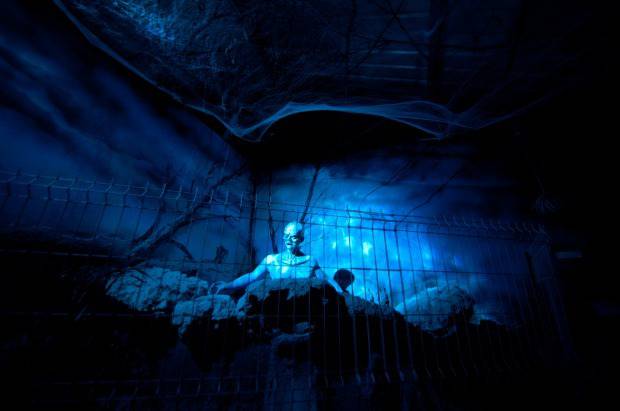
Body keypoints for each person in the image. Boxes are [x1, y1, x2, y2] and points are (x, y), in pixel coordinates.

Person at [213, 221, 341, 293]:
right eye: (286, 235)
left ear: (301, 239)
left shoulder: (310, 261)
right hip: (276, 307)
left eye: (293, 237)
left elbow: (326, 279)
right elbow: (252, 276)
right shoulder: (271, 260)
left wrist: (342, 294)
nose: (288, 240)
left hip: (302, 310)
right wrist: (228, 285)